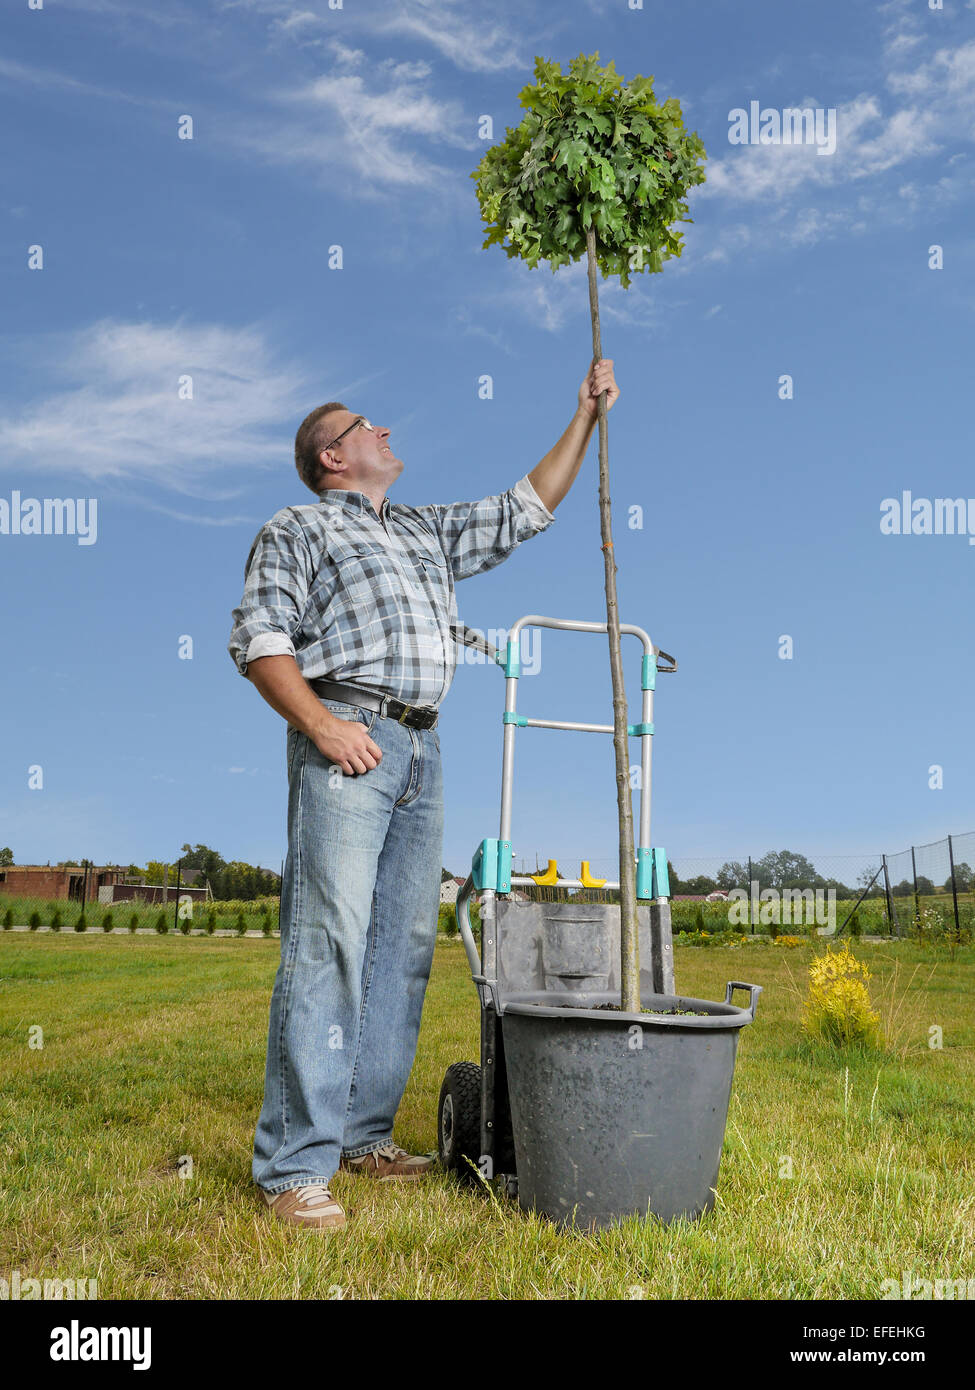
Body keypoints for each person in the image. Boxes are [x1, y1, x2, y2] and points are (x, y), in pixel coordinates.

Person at [227, 358, 620, 1230]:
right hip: (348, 737)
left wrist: (583, 414)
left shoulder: (421, 531)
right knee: (325, 940)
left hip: (421, 748)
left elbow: (526, 508)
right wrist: (323, 726)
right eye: (368, 425)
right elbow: (259, 638)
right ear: (332, 457)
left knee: (400, 951)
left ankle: (363, 1136)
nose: (386, 433)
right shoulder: (296, 527)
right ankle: (294, 1166)